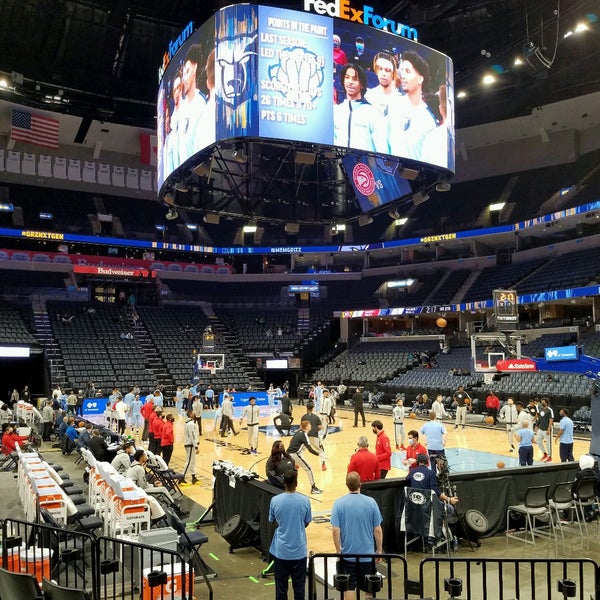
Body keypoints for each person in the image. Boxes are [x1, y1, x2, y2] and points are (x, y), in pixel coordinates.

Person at [331, 471, 383, 600]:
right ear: (360, 484)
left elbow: (335, 530)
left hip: (348, 555)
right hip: (367, 556)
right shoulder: (371, 502)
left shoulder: (339, 503)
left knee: (349, 587)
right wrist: (379, 550)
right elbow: (377, 529)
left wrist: (338, 551)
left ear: (346, 485)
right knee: (369, 588)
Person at [268, 469, 312, 600]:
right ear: (296, 482)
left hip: (281, 551)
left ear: (283, 483)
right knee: (299, 589)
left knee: (281, 589)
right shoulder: (305, 501)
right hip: (299, 551)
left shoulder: (275, 500)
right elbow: (307, 522)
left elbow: (272, 520)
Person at [391, 49, 437, 161]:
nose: (403, 76)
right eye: (402, 71)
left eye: (408, 71)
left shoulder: (428, 120)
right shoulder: (393, 103)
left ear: (420, 78)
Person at [333, 64, 382, 153]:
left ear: (362, 84)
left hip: (365, 165)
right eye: (347, 77)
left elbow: (381, 148)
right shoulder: (336, 111)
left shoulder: (372, 113)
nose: (350, 82)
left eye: (355, 79)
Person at [126, 449, 188, 517]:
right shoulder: (139, 468)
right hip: (138, 492)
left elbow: (142, 484)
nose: (146, 456)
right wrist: (154, 487)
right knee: (163, 490)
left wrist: (153, 485)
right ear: (141, 457)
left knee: (160, 490)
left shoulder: (134, 465)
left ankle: (172, 508)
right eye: (144, 455)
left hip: (133, 490)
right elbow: (143, 486)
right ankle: (177, 509)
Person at [287, 420, 322, 494]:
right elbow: (310, 449)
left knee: (293, 470)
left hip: (289, 454)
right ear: (306, 427)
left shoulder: (298, 432)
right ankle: (313, 488)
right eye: (309, 425)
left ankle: (290, 487)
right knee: (309, 468)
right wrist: (318, 454)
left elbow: (291, 442)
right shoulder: (304, 435)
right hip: (295, 454)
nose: (311, 426)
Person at [301, 402, 327, 471]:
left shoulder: (304, 417)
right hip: (314, 435)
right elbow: (320, 427)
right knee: (320, 450)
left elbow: (301, 427)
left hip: (305, 436)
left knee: (300, 451)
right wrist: (316, 430)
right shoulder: (316, 417)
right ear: (313, 409)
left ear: (306, 408)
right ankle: (323, 464)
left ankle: (297, 464)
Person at [182, 410, 199, 485]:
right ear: (191, 414)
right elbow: (192, 436)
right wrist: (196, 446)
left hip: (189, 444)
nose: (195, 414)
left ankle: (193, 477)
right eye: (193, 413)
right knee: (189, 462)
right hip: (190, 444)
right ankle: (181, 478)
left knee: (192, 462)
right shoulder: (190, 424)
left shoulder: (189, 423)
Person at [536, 397, 554, 462]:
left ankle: (550, 456)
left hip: (547, 429)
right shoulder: (541, 409)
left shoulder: (549, 410)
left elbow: (551, 419)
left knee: (548, 444)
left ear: (546, 402)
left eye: (543, 401)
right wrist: (537, 426)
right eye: (541, 401)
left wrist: (549, 428)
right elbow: (540, 418)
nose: (541, 403)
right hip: (541, 429)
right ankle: (545, 453)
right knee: (538, 441)